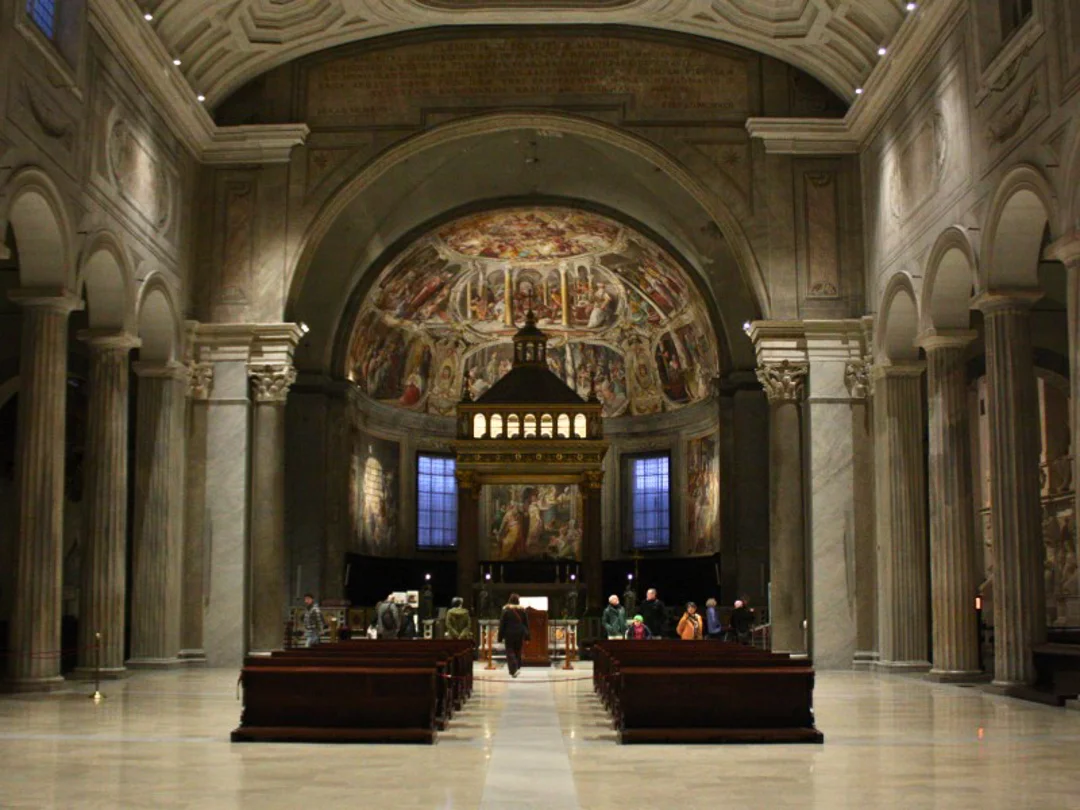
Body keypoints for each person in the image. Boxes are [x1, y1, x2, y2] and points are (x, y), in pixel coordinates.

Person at [498, 593, 531, 678]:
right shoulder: (522, 610)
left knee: (510, 651)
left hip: (509, 634)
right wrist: (527, 637)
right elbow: (526, 624)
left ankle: (513, 669)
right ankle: (517, 667)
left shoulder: (506, 610)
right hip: (519, 633)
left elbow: (502, 624)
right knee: (518, 650)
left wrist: (500, 637)